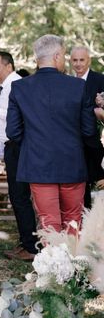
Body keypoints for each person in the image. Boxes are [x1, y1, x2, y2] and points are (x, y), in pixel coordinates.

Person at [7, 35, 96, 236]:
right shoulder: (79, 86)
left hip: (38, 164)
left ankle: (54, 266)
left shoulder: (20, 87)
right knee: (73, 220)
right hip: (72, 162)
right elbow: (89, 130)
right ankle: (72, 265)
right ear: (56, 56)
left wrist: (35, 143)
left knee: (49, 222)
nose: (64, 60)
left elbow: (12, 131)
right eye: (64, 56)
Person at [0, 51, 35, 261]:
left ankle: (30, 246)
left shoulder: (16, 84)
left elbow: (17, 115)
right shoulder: (8, 86)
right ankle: (27, 242)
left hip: (18, 146)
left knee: (20, 196)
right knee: (18, 196)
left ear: (9, 66)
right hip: (11, 146)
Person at [69, 46, 104, 208]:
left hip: (96, 144)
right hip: (74, 145)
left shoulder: (100, 80)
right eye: (74, 60)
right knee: (81, 191)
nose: (78, 64)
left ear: (89, 60)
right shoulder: (67, 82)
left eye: (81, 60)